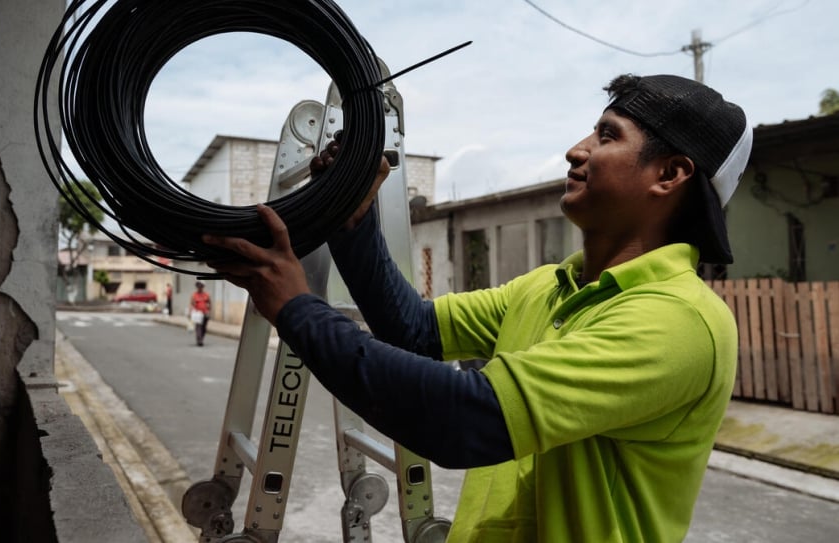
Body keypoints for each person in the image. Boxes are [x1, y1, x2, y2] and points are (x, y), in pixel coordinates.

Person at [203, 74, 752, 541]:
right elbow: (414, 329)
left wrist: (296, 306)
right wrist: (353, 223)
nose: (577, 149)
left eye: (608, 136)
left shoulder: (678, 321)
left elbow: (462, 419)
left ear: (670, 174)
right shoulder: (548, 287)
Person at [189, 281, 211, 346]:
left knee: (204, 328)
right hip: (198, 314)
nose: (199, 287)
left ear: (203, 287)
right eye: (198, 286)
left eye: (201, 286)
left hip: (205, 313)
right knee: (198, 327)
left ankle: (201, 338)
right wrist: (190, 312)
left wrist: (209, 310)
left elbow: (209, 303)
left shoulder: (206, 295)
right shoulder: (194, 295)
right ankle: (199, 340)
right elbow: (191, 304)